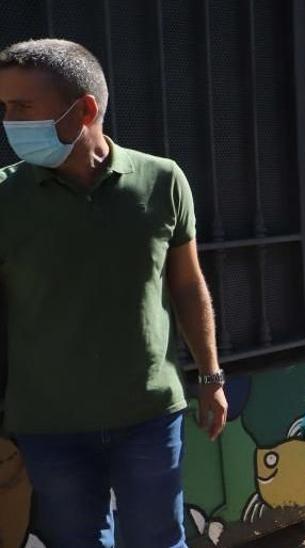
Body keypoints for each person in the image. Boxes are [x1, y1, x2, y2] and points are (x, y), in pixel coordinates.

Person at [0, 39, 226, 547]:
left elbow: (188, 285)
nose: (10, 120)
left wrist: (210, 375)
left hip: (148, 415)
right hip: (48, 423)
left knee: (159, 540)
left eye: (22, 107)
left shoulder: (162, 181)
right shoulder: (4, 196)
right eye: (4, 107)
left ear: (83, 110)